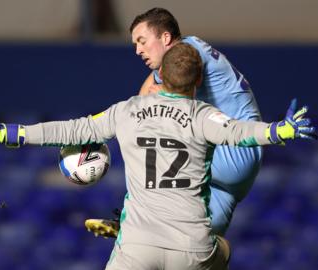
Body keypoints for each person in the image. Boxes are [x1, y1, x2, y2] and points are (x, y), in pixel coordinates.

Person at [0, 43, 316, 270]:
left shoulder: (126, 111)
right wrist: (280, 131)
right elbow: (241, 133)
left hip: (138, 245)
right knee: (222, 248)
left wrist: (6, 133)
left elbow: (69, 130)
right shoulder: (204, 115)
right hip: (191, 248)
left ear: (159, 76)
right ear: (195, 85)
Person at [86, 7, 266, 239]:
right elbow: (143, 101)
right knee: (195, 242)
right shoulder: (190, 49)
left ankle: (135, 220)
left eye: (142, 41)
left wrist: (102, 129)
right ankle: (144, 230)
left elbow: (150, 104)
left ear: (166, 38)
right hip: (234, 171)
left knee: (155, 146)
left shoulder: (185, 54)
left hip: (233, 150)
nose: (138, 50)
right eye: (135, 45)